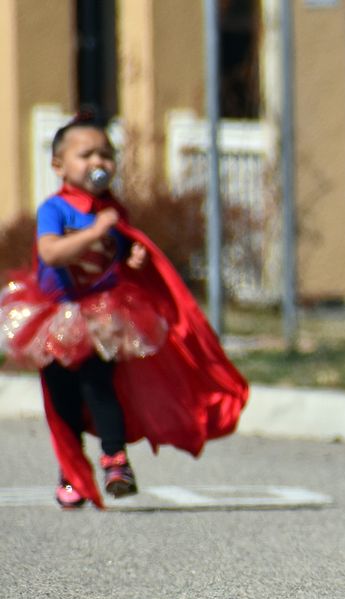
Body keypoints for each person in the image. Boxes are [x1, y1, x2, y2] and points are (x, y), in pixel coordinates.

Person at [0, 115, 249, 509]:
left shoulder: (113, 210)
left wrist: (131, 258)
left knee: (101, 386)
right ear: (59, 165)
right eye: (86, 155)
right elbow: (50, 252)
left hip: (102, 317)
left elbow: (116, 257)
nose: (98, 162)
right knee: (63, 398)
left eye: (106, 154)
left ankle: (116, 461)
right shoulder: (56, 209)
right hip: (56, 317)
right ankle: (72, 471)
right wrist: (97, 231)